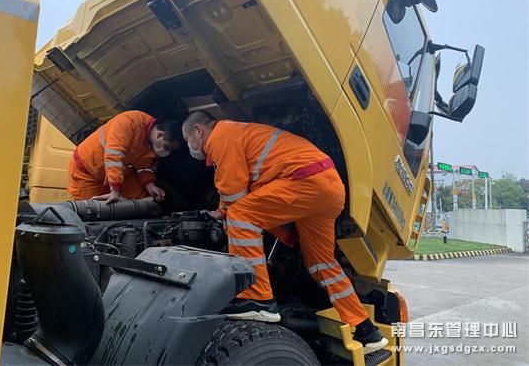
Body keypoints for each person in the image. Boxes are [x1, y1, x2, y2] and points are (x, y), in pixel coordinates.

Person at [182, 111, 388, 353]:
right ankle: (366, 329)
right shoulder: (238, 131)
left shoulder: (220, 136)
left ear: (198, 130)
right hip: (328, 187)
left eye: (187, 140)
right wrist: (222, 211)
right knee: (321, 264)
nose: (189, 146)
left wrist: (225, 214)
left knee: (241, 215)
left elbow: (234, 190)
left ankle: (259, 300)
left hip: (305, 180)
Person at [68, 110, 181, 204]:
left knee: (144, 204)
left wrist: (150, 185)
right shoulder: (129, 122)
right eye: (167, 147)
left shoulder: (153, 145)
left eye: (171, 150)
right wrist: (115, 190)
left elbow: (144, 166)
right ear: (159, 135)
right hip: (87, 172)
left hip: (118, 173)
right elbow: (114, 157)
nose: (167, 152)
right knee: (90, 211)